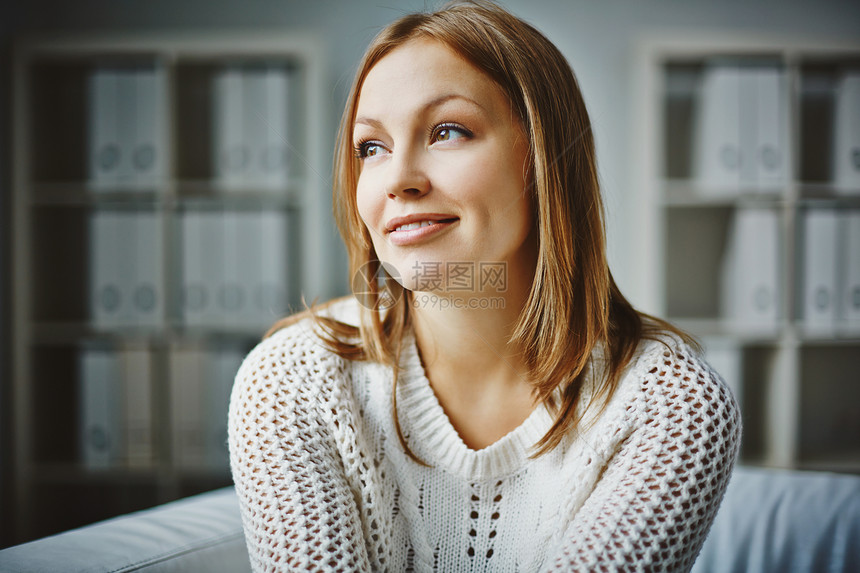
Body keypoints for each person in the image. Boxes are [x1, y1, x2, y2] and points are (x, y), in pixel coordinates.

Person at [228, 1, 742, 571]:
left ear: (543, 158)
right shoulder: (291, 379)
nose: (398, 179)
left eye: (448, 131)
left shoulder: (673, 405)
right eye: (371, 147)